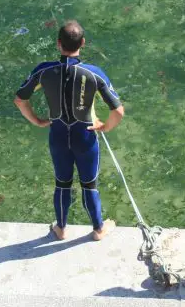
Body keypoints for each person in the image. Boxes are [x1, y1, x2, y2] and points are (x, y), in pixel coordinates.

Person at [13, 20, 125, 241]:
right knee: (89, 184)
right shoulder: (94, 73)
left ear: (58, 44)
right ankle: (98, 229)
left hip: (58, 136)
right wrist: (105, 127)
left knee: (62, 183)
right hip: (85, 137)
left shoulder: (43, 71)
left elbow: (19, 100)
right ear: (82, 42)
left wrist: (36, 121)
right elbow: (118, 111)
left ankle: (61, 228)